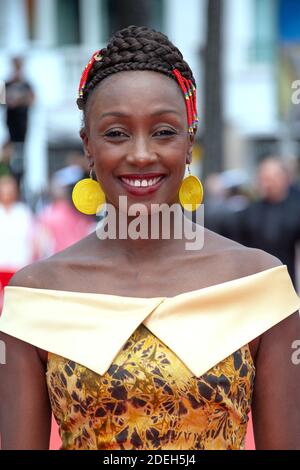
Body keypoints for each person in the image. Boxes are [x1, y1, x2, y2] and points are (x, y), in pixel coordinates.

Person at [0, 26, 300, 451]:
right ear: (88, 145)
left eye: (163, 131)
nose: (141, 153)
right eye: (116, 133)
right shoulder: (36, 294)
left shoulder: (260, 285)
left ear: (188, 141)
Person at [232, 157, 300, 288]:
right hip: (256, 280)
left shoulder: (295, 210)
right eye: (264, 179)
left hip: (287, 280)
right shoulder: (248, 213)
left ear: (285, 179)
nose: (267, 184)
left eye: (272, 178)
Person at [5, 57, 34, 188]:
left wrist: (18, 101)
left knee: (21, 157)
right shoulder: (7, 83)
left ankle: (20, 183)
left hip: (23, 128)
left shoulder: (26, 84)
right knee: (13, 157)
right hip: (11, 128)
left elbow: (32, 99)